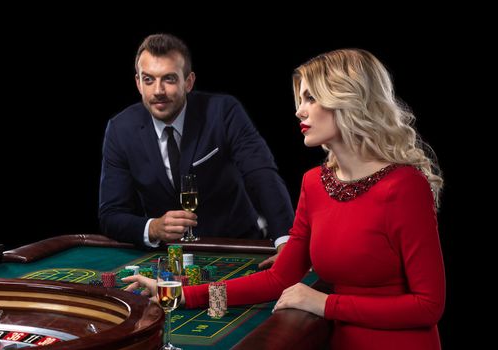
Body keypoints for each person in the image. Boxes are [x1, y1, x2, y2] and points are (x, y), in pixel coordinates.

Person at [123, 48, 446, 350]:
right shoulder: (315, 183)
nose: (298, 110)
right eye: (299, 98)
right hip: (334, 340)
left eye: (310, 98)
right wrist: (178, 293)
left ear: (348, 102)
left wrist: (324, 303)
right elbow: (280, 277)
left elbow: (428, 306)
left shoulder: (404, 186)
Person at [99, 33, 294, 264]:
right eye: (149, 80)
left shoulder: (223, 111)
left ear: (188, 82)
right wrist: (153, 228)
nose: (158, 90)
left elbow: (261, 174)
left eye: (169, 79)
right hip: (168, 257)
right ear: (138, 83)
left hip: (235, 246)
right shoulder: (120, 129)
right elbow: (111, 214)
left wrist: (286, 241)